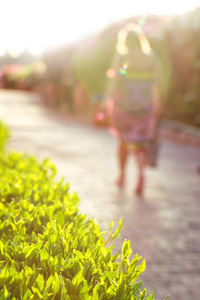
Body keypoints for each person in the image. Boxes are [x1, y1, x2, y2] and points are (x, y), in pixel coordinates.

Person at [104, 23, 161, 195]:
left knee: (123, 143)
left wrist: (105, 102)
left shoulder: (122, 58)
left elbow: (116, 82)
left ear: (125, 41)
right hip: (145, 106)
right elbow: (157, 83)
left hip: (124, 107)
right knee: (140, 144)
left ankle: (122, 177)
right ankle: (141, 176)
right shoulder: (152, 58)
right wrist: (158, 104)